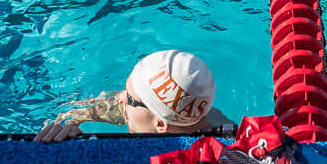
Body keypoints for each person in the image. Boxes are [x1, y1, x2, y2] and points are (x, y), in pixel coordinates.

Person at [36, 49, 230, 142]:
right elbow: (72, 114)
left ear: (161, 124)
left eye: (129, 98)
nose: (120, 98)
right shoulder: (198, 119)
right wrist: (67, 129)